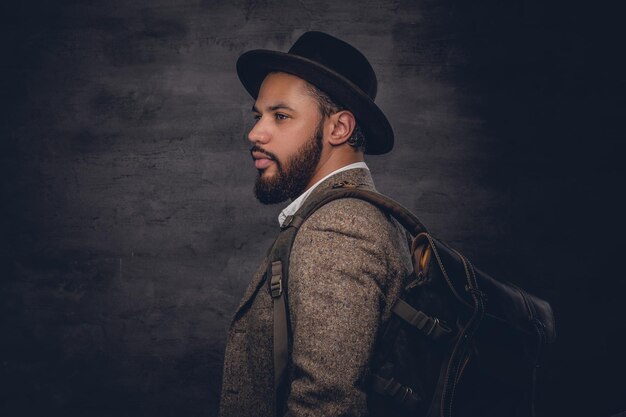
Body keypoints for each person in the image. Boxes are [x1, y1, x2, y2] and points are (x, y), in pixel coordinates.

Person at [219, 31, 412, 417]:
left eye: (281, 115)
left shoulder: (339, 229)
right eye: (258, 116)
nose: (255, 133)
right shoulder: (351, 215)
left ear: (338, 129)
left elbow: (325, 406)